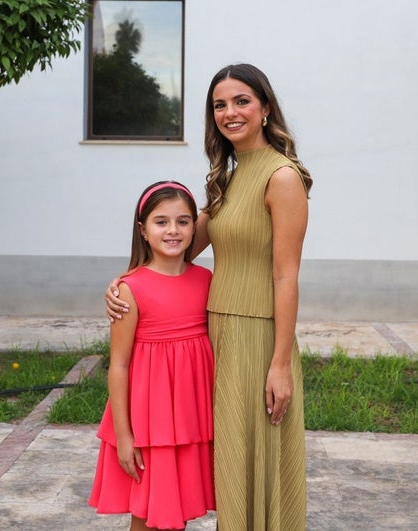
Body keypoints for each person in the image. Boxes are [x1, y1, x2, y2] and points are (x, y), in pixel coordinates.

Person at [106, 64, 312, 530]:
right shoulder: (229, 177)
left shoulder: (281, 177)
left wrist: (280, 363)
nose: (230, 112)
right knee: (228, 465)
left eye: (242, 101)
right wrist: (122, 283)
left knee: (251, 460)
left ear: (264, 109)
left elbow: (286, 275)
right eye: (220, 104)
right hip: (213, 334)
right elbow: (173, 249)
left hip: (257, 337)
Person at [89, 181, 216, 530]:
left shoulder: (207, 280)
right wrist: (124, 435)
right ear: (143, 230)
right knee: (147, 516)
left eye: (183, 221)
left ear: (195, 227)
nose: (173, 230)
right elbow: (119, 365)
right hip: (149, 422)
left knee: (177, 513)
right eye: (161, 222)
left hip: (190, 419)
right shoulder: (130, 289)